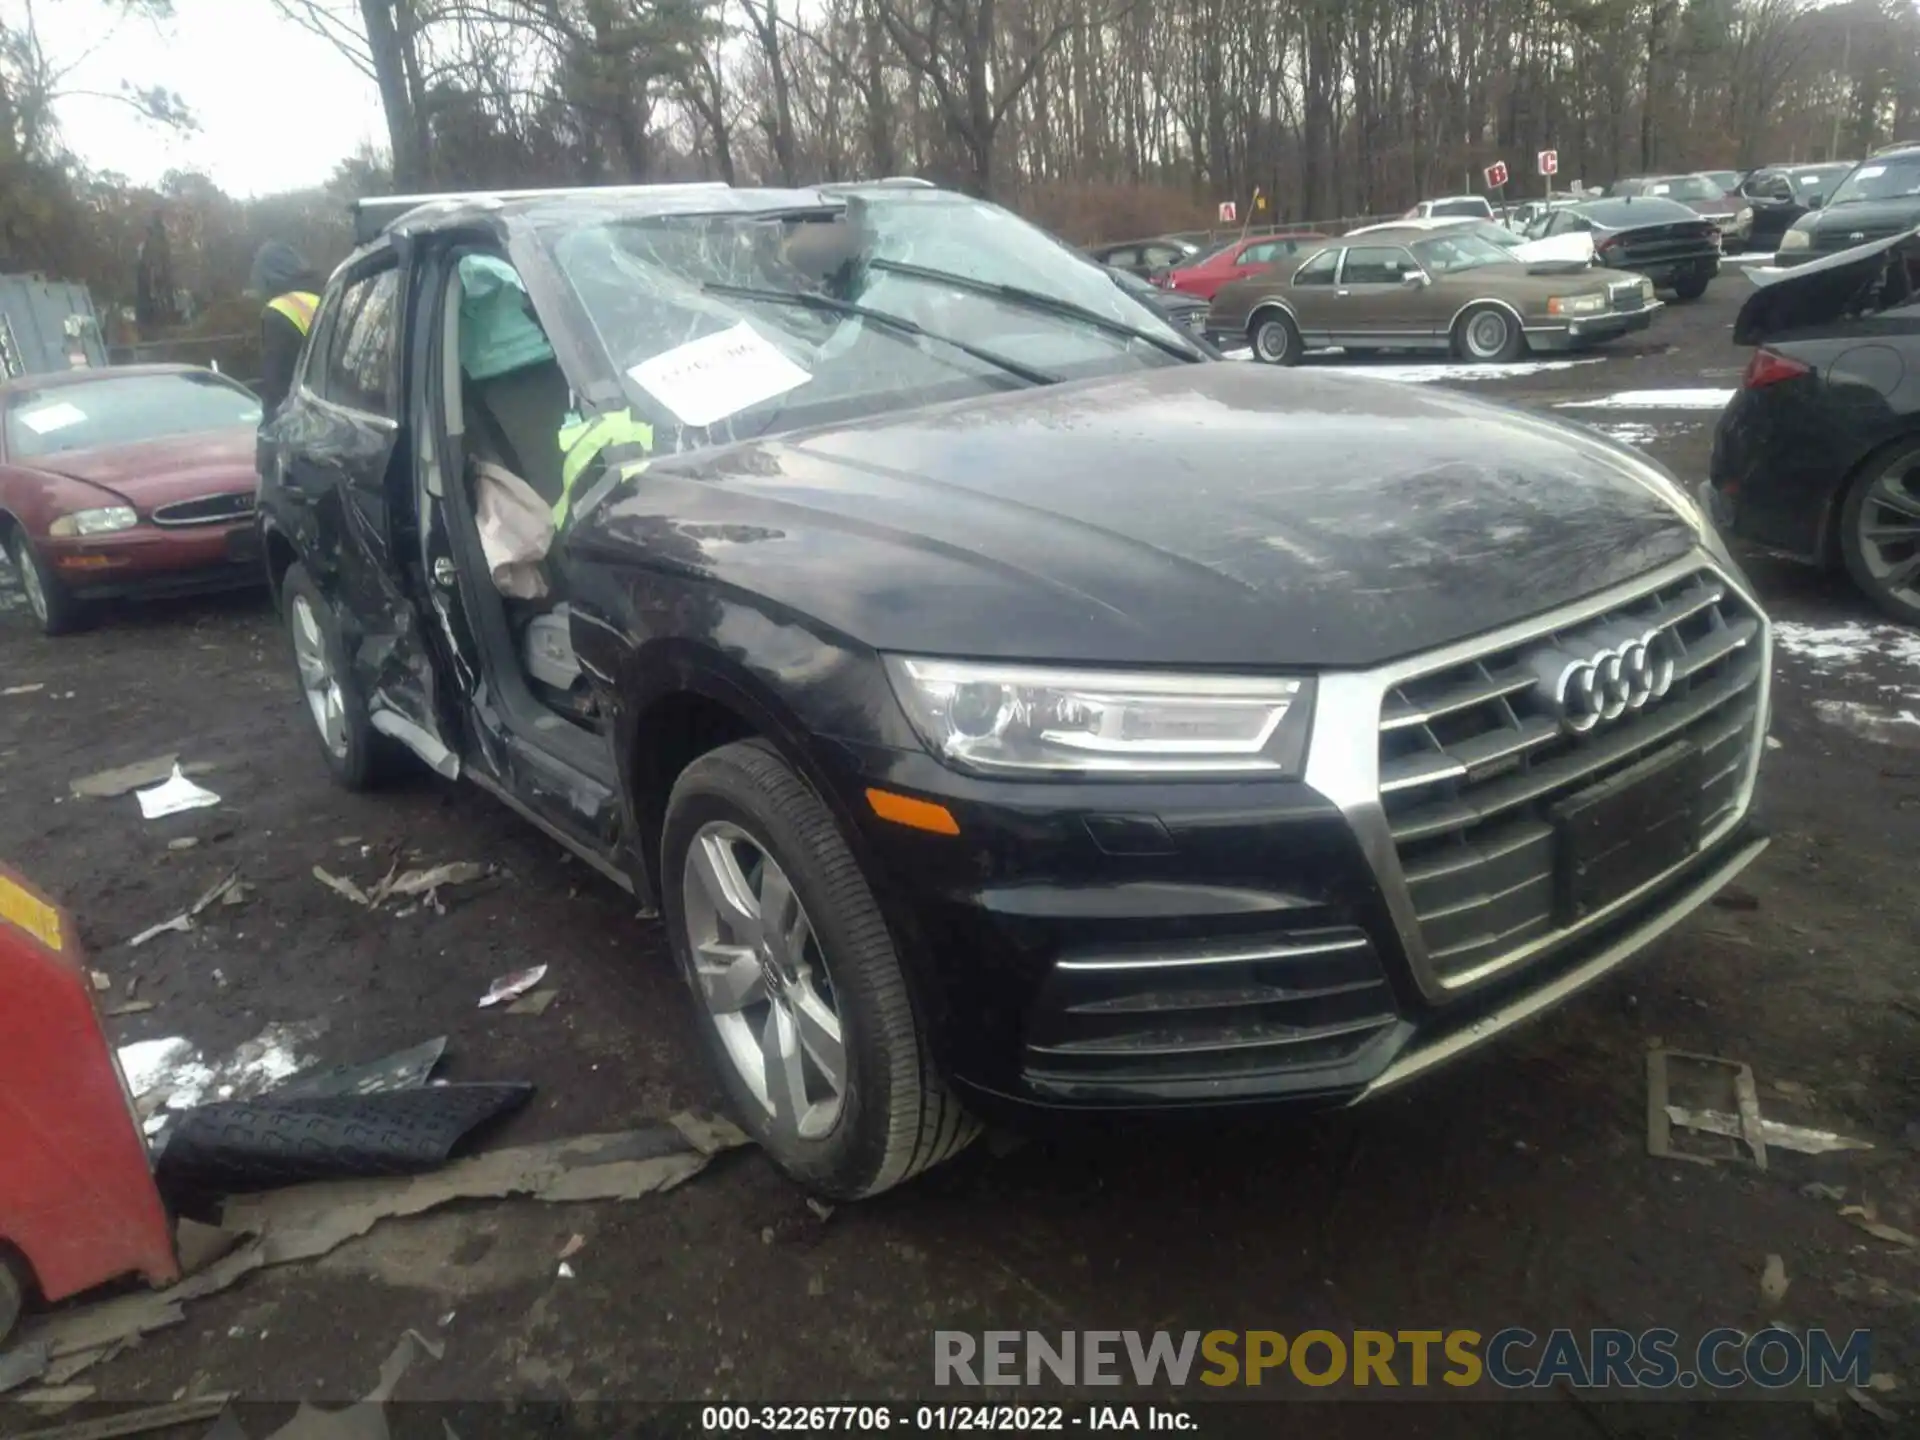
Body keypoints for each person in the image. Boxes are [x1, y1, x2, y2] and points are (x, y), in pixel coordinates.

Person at [249, 242, 323, 415]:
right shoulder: (325, 294)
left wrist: (270, 421)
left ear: (266, 277)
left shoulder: (279, 309)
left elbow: (278, 383)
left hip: (307, 413)